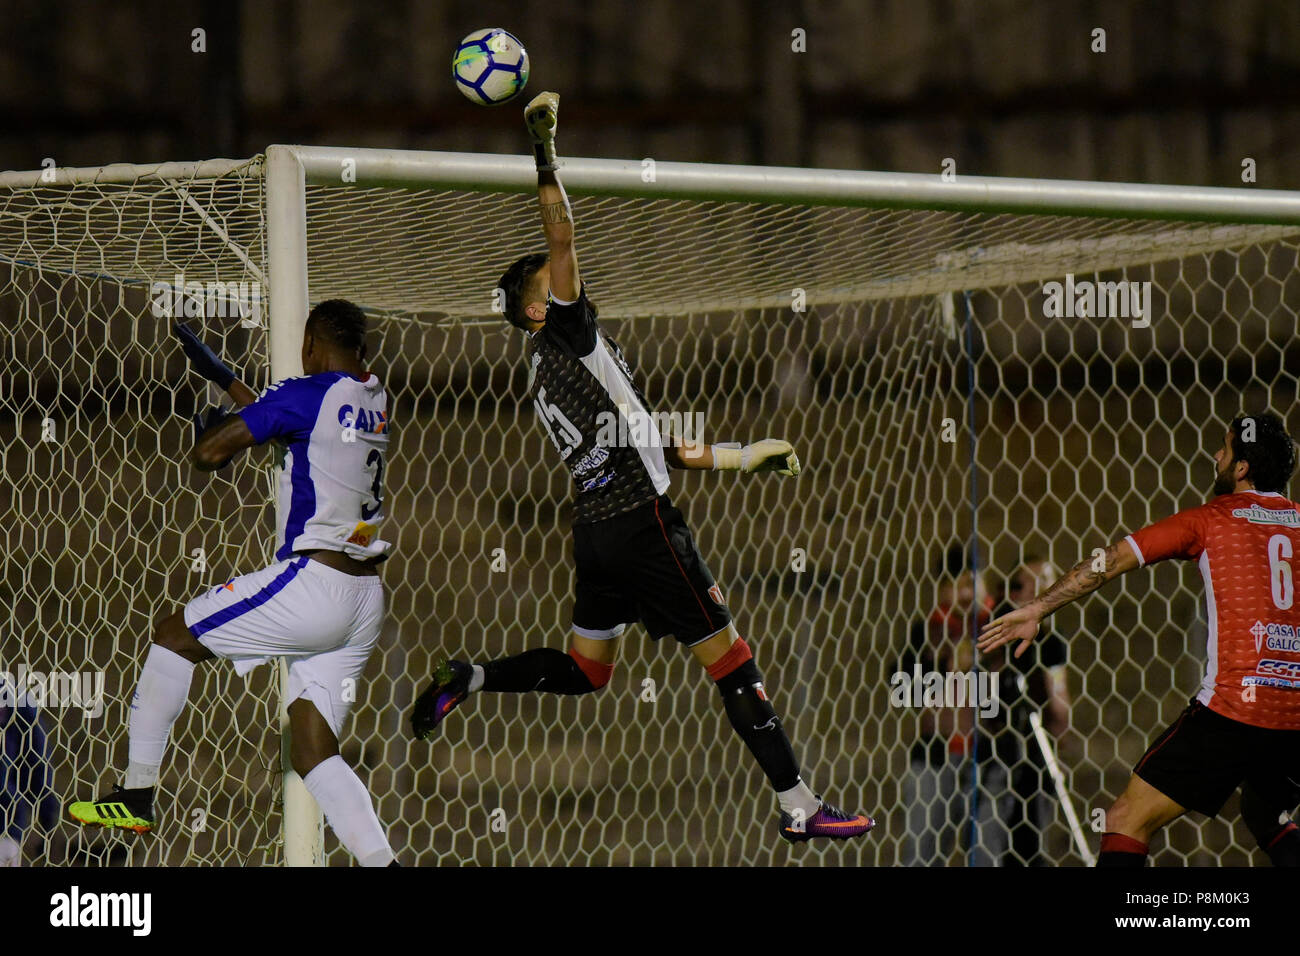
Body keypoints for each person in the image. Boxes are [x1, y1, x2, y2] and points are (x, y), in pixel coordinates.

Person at [408, 91, 873, 844]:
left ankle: (474, 677)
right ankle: (798, 805)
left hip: (595, 529)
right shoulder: (569, 331)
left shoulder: (549, 371)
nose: (567, 282)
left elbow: (644, 441)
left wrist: (739, 456)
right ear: (537, 309)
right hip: (645, 524)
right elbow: (562, 242)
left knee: (589, 671)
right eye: (550, 286)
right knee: (733, 660)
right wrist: (544, 151)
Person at [68, 304, 399, 866]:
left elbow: (208, 454)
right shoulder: (374, 397)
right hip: (364, 598)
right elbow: (292, 419)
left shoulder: (308, 393)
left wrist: (210, 434)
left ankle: (137, 794)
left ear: (312, 344)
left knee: (174, 635)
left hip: (314, 585)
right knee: (315, 753)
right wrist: (224, 378)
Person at [981, 413, 1300, 866]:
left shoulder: (1210, 520)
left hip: (1234, 712)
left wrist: (1038, 608)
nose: (1216, 456)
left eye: (1225, 449)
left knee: (1125, 819)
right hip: (1294, 717)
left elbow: (1109, 561)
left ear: (1242, 468)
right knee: (1266, 813)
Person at [990, 558, 1070, 866]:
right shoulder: (998, 630)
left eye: (1046, 582)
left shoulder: (1052, 640)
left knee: (1030, 844)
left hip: (1036, 754)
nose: (1037, 591)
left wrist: (1059, 748)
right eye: (1027, 584)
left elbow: (1061, 708)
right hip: (997, 753)